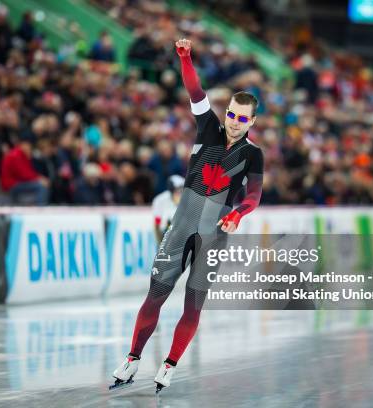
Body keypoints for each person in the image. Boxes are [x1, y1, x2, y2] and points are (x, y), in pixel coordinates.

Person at [111, 38, 264, 393]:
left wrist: (239, 213)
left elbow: (254, 196)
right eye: (231, 115)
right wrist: (185, 58)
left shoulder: (254, 155)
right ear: (226, 113)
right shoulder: (208, 126)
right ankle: (132, 358)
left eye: (243, 119)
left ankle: (169, 365)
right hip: (180, 230)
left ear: (252, 121)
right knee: (155, 296)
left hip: (214, 236)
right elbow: (195, 89)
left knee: (192, 307)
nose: (235, 123)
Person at [152, 174, 184, 242]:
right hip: (166, 234)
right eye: (178, 190)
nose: (180, 194)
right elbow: (157, 223)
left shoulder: (187, 200)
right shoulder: (160, 200)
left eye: (182, 190)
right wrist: (160, 243)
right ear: (172, 190)